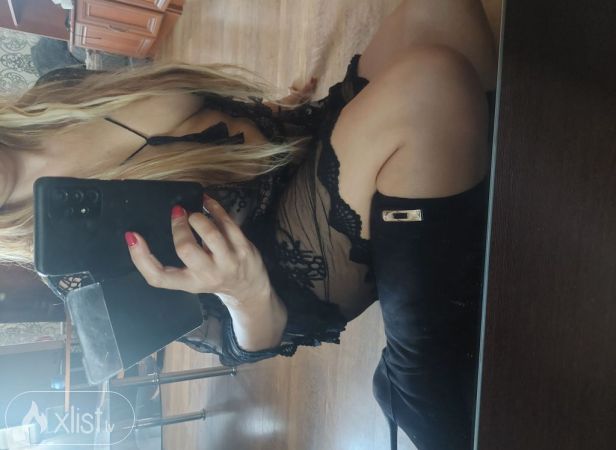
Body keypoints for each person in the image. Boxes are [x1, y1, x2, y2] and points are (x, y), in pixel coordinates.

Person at [0, 1, 497, 448]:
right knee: (430, 87)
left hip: (302, 144)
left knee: (443, 12)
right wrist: (242, 291)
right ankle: (419, 377)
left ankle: (458, 179)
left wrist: (275, 112)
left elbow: (202, 131)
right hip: (287, 262)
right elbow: (240, 345)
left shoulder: (54, 95)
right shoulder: (69, 257)